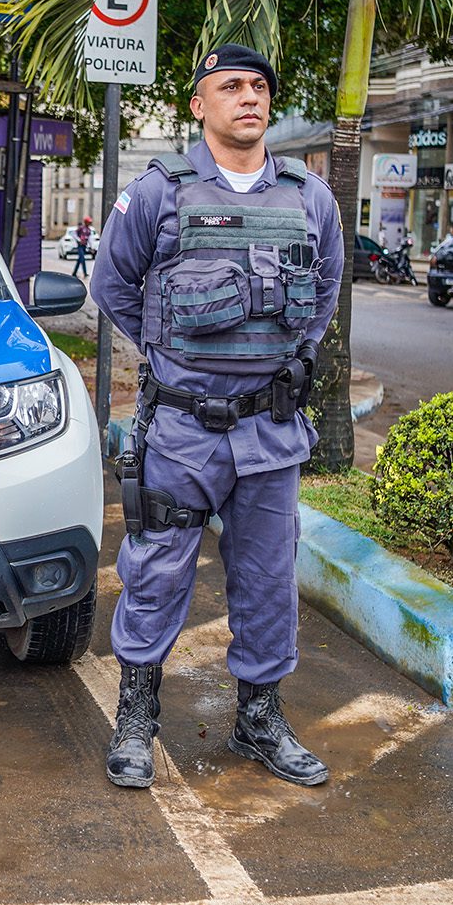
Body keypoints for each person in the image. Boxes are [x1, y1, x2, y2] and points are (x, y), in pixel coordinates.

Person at [90, 44, 344, 790]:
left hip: (270, 433)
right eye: (230, 86)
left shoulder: (310, 196)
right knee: (156, 573)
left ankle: (259, 719)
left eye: (260, 86)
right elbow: (113, 284)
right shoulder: (159, 192)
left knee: (267, 581)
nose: (248, 97)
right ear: (199, 105)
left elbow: (324, 291)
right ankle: (136, 715)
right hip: (182, 431)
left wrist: (287, 356)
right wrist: (173, 353)